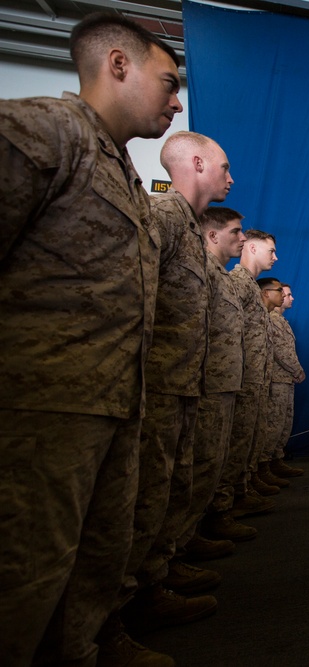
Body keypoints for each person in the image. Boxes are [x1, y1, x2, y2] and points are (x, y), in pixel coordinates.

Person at [0, 12, 181, 667]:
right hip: (38, 410)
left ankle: (80, 651)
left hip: (110, 402)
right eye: (168, 79)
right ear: (117, 64)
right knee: (23, 572)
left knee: (92, 557)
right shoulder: (42, 129)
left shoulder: (124, 174)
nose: (176, 97)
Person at [109, 131, 232, 642]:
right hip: (156, 387)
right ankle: (123, 609)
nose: (231, 177)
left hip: (184, 385)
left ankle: (158, 574)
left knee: (169, 490)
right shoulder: (161, 216)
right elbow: (132, 297)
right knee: (142, 498)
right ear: (198, 162)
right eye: (225, 167)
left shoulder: (185, 226)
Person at [205, 229, 279, 536]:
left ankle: (239, 491)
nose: (275, 256)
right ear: (251, 247)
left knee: (244, 443)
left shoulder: (248, 287)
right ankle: (221, 509)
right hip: (233, 380)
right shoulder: (237, 284)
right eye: (271, 250)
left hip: (250, 380)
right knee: (230, 447)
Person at [195, 208, 261, 545]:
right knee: (202, 461)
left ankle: (210, 518)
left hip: (228, 381)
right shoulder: (208, 273)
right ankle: (191, 535)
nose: (243, 238)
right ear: (212, 236)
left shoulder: (222, 276)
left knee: (217, 457)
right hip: (206, 383)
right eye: (236, 232)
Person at [260, 283, 307, 479]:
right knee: (273, 424)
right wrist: (297, 370)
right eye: (287, 294)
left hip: (285, 379)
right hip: (276, 379)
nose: (291, 298)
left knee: (284, 423)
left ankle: (276, 461)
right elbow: (281, 351)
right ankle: (262, 467)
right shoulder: (272, 319)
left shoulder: (282, 321)